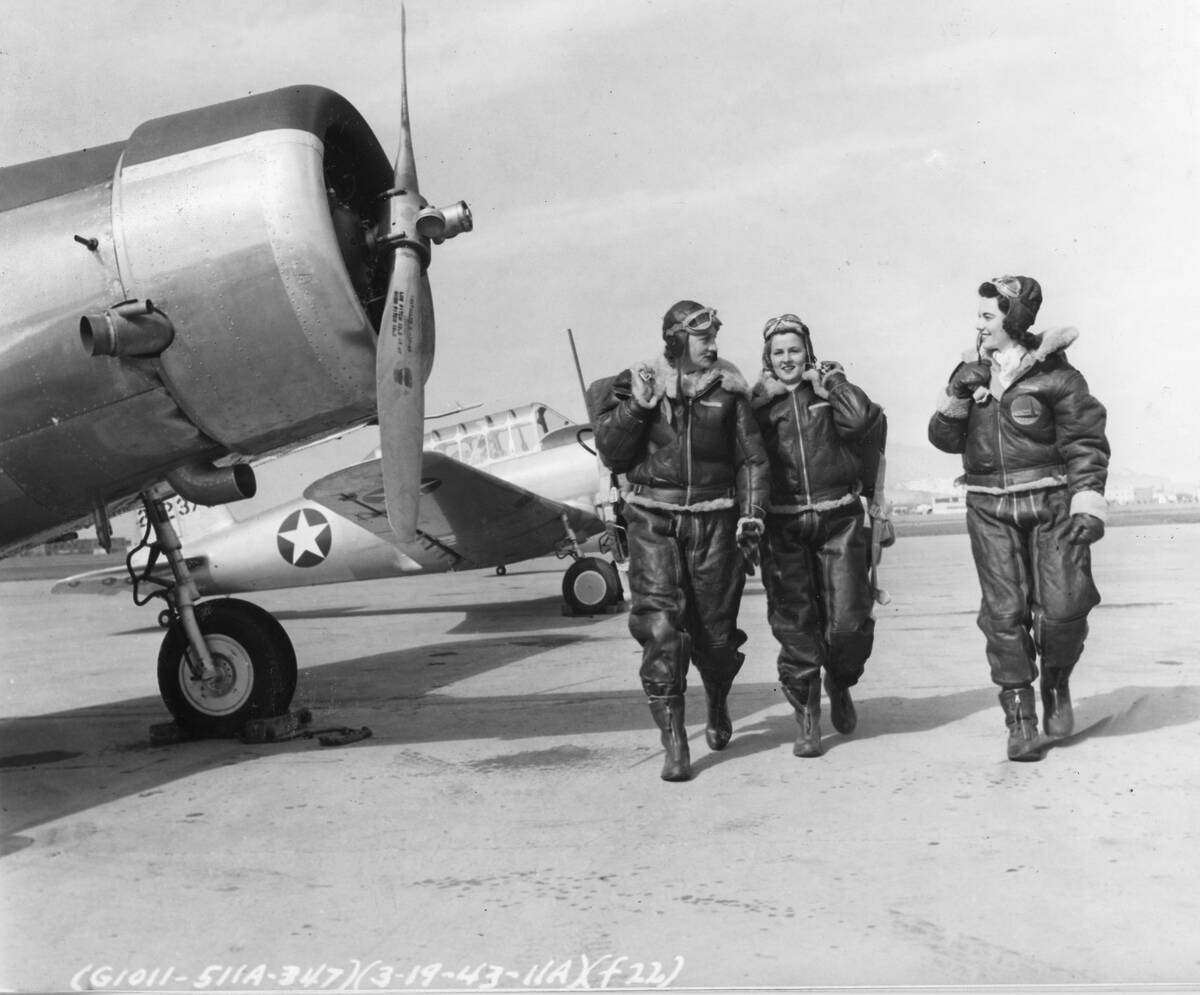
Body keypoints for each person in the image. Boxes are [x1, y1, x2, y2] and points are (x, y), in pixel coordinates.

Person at [928, 275, 1109, 762]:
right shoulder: (970, 370)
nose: (980, 326)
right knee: (1004, 615)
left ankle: (1055, 681)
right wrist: (956, 395)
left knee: (1065, 607)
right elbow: (944, 439)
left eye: (988, 316)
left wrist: (1087, 500)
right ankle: (1021, 721)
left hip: (1051, 504)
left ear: (1014, 319)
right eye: (980, 317)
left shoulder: (1060, 377)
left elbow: (1085, 443)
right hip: (988, 508)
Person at [592, 300, 769, 782]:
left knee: (715, 637)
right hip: (653, 518)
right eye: (702, 336)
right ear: (675, 340)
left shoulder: (730, 392)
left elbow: (751, 460)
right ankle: (674, 738)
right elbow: (611, 451)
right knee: (661, 630)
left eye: (715, 335)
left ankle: (716, 698)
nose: (712, 344)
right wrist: (638, 405)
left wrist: (751, 515)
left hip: (715, 521)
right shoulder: (642, 383)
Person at [749, 314, 885, 758]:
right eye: (778, 352)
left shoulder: (828, 393)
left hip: (839, 519)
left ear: (808, 351)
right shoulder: (756, 407)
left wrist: (836, 382)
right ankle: (806, 713)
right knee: (795, 627)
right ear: (768, 359)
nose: (788, 359)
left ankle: (841, 682)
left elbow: (865, 422)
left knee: (848, 622)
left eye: (795, 350)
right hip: (783, 526)